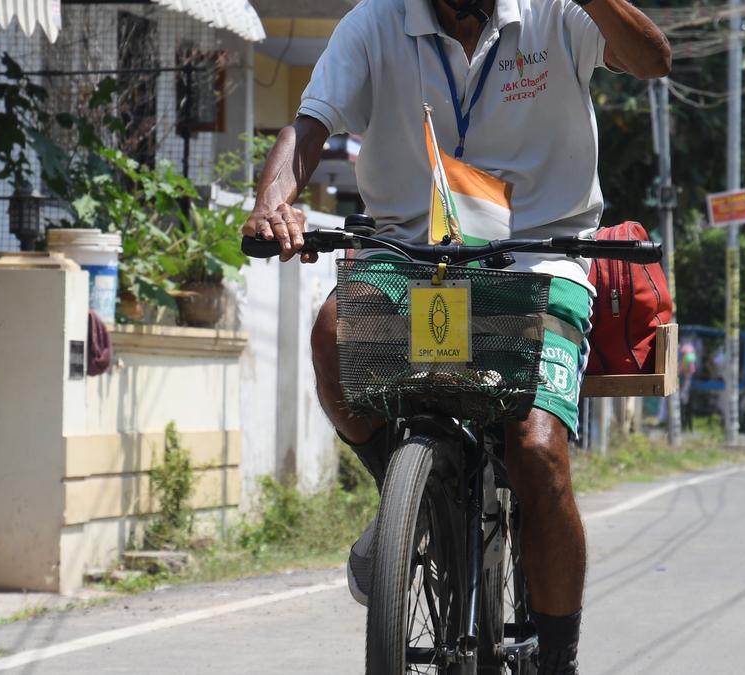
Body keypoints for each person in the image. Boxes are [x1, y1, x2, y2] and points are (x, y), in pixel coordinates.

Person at [242, 1, 670, 672]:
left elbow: (652, 60)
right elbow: (311, 123)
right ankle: (410, 504)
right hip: (408, 253)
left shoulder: (557, 12)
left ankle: (558, 658)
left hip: (539, 255)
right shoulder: (375, 22)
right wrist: (272, 203)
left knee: (537, 452)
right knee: (332, 333)